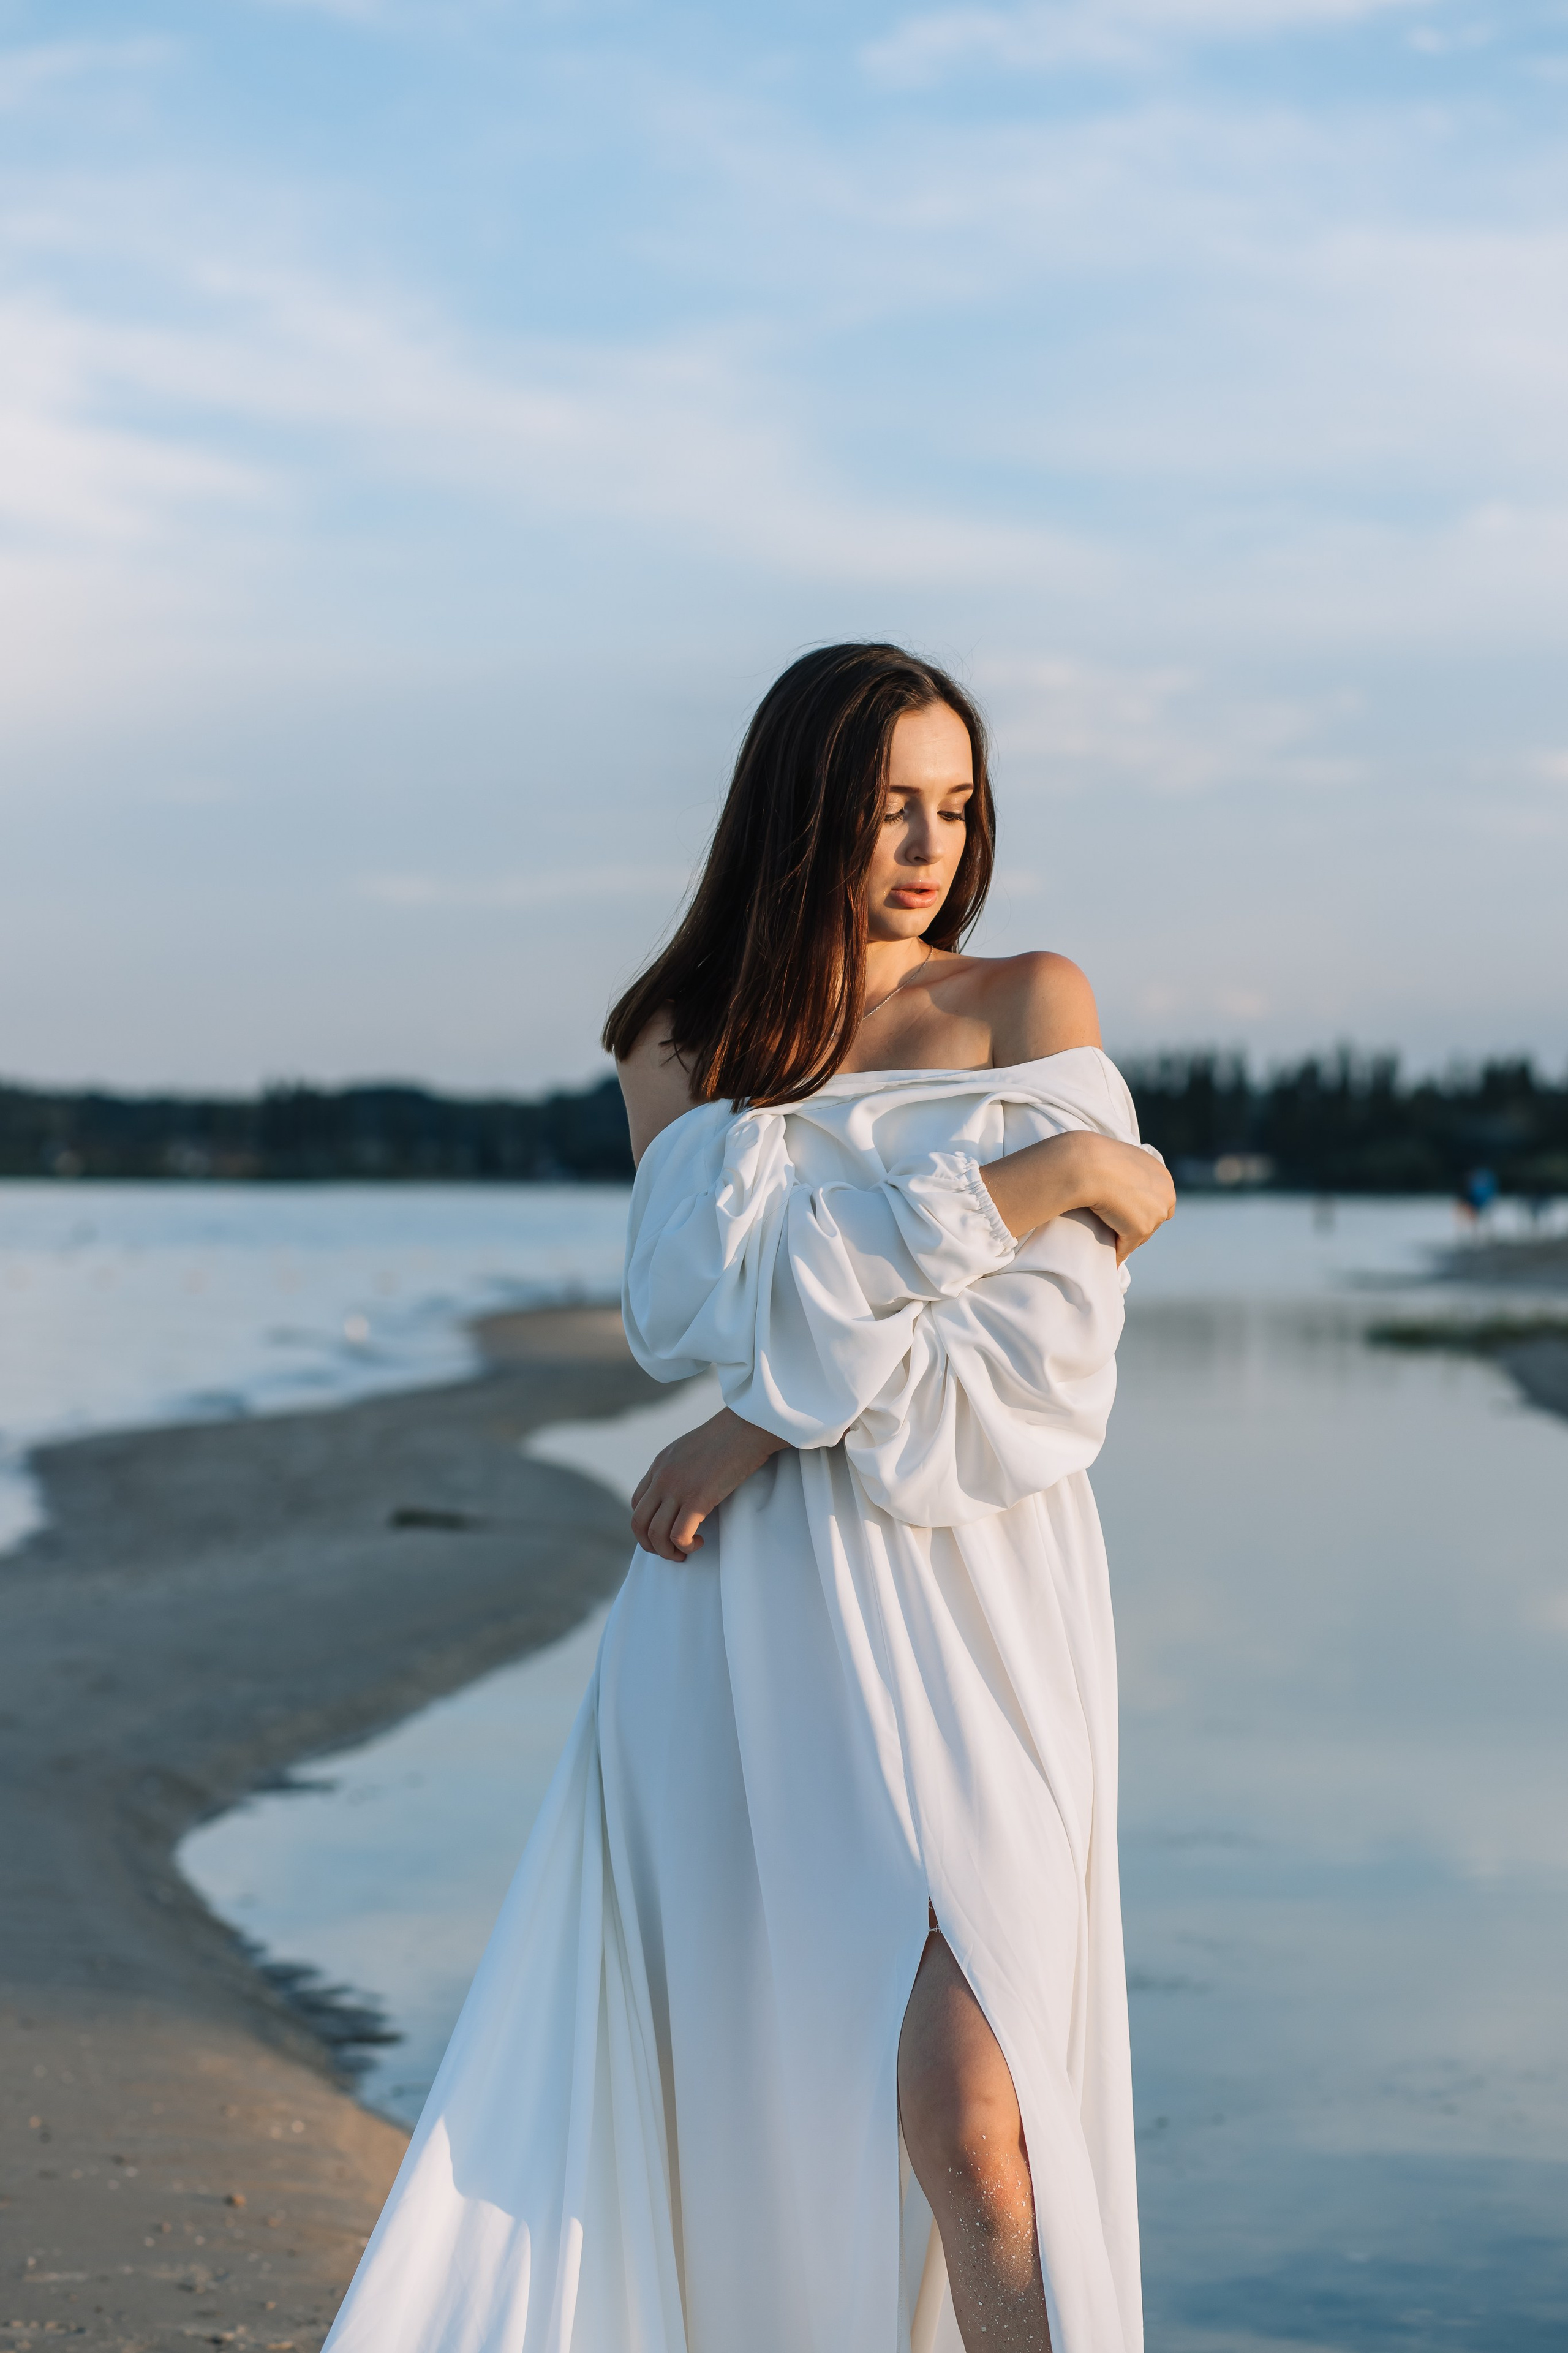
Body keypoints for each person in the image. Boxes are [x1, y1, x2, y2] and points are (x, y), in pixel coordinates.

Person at [322, 643, 1174, 2353]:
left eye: (956, 808)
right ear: (800, 811)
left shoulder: (1030, 999)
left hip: (989, 1584)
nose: (928, 847)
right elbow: (694, 1311)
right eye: (887, 807)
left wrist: (764, 1423)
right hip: (758, 1623)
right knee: (756, 2097)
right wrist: (1050, 1175)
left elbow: (1043, 1364)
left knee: (980, 2116)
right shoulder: (679, 1043)